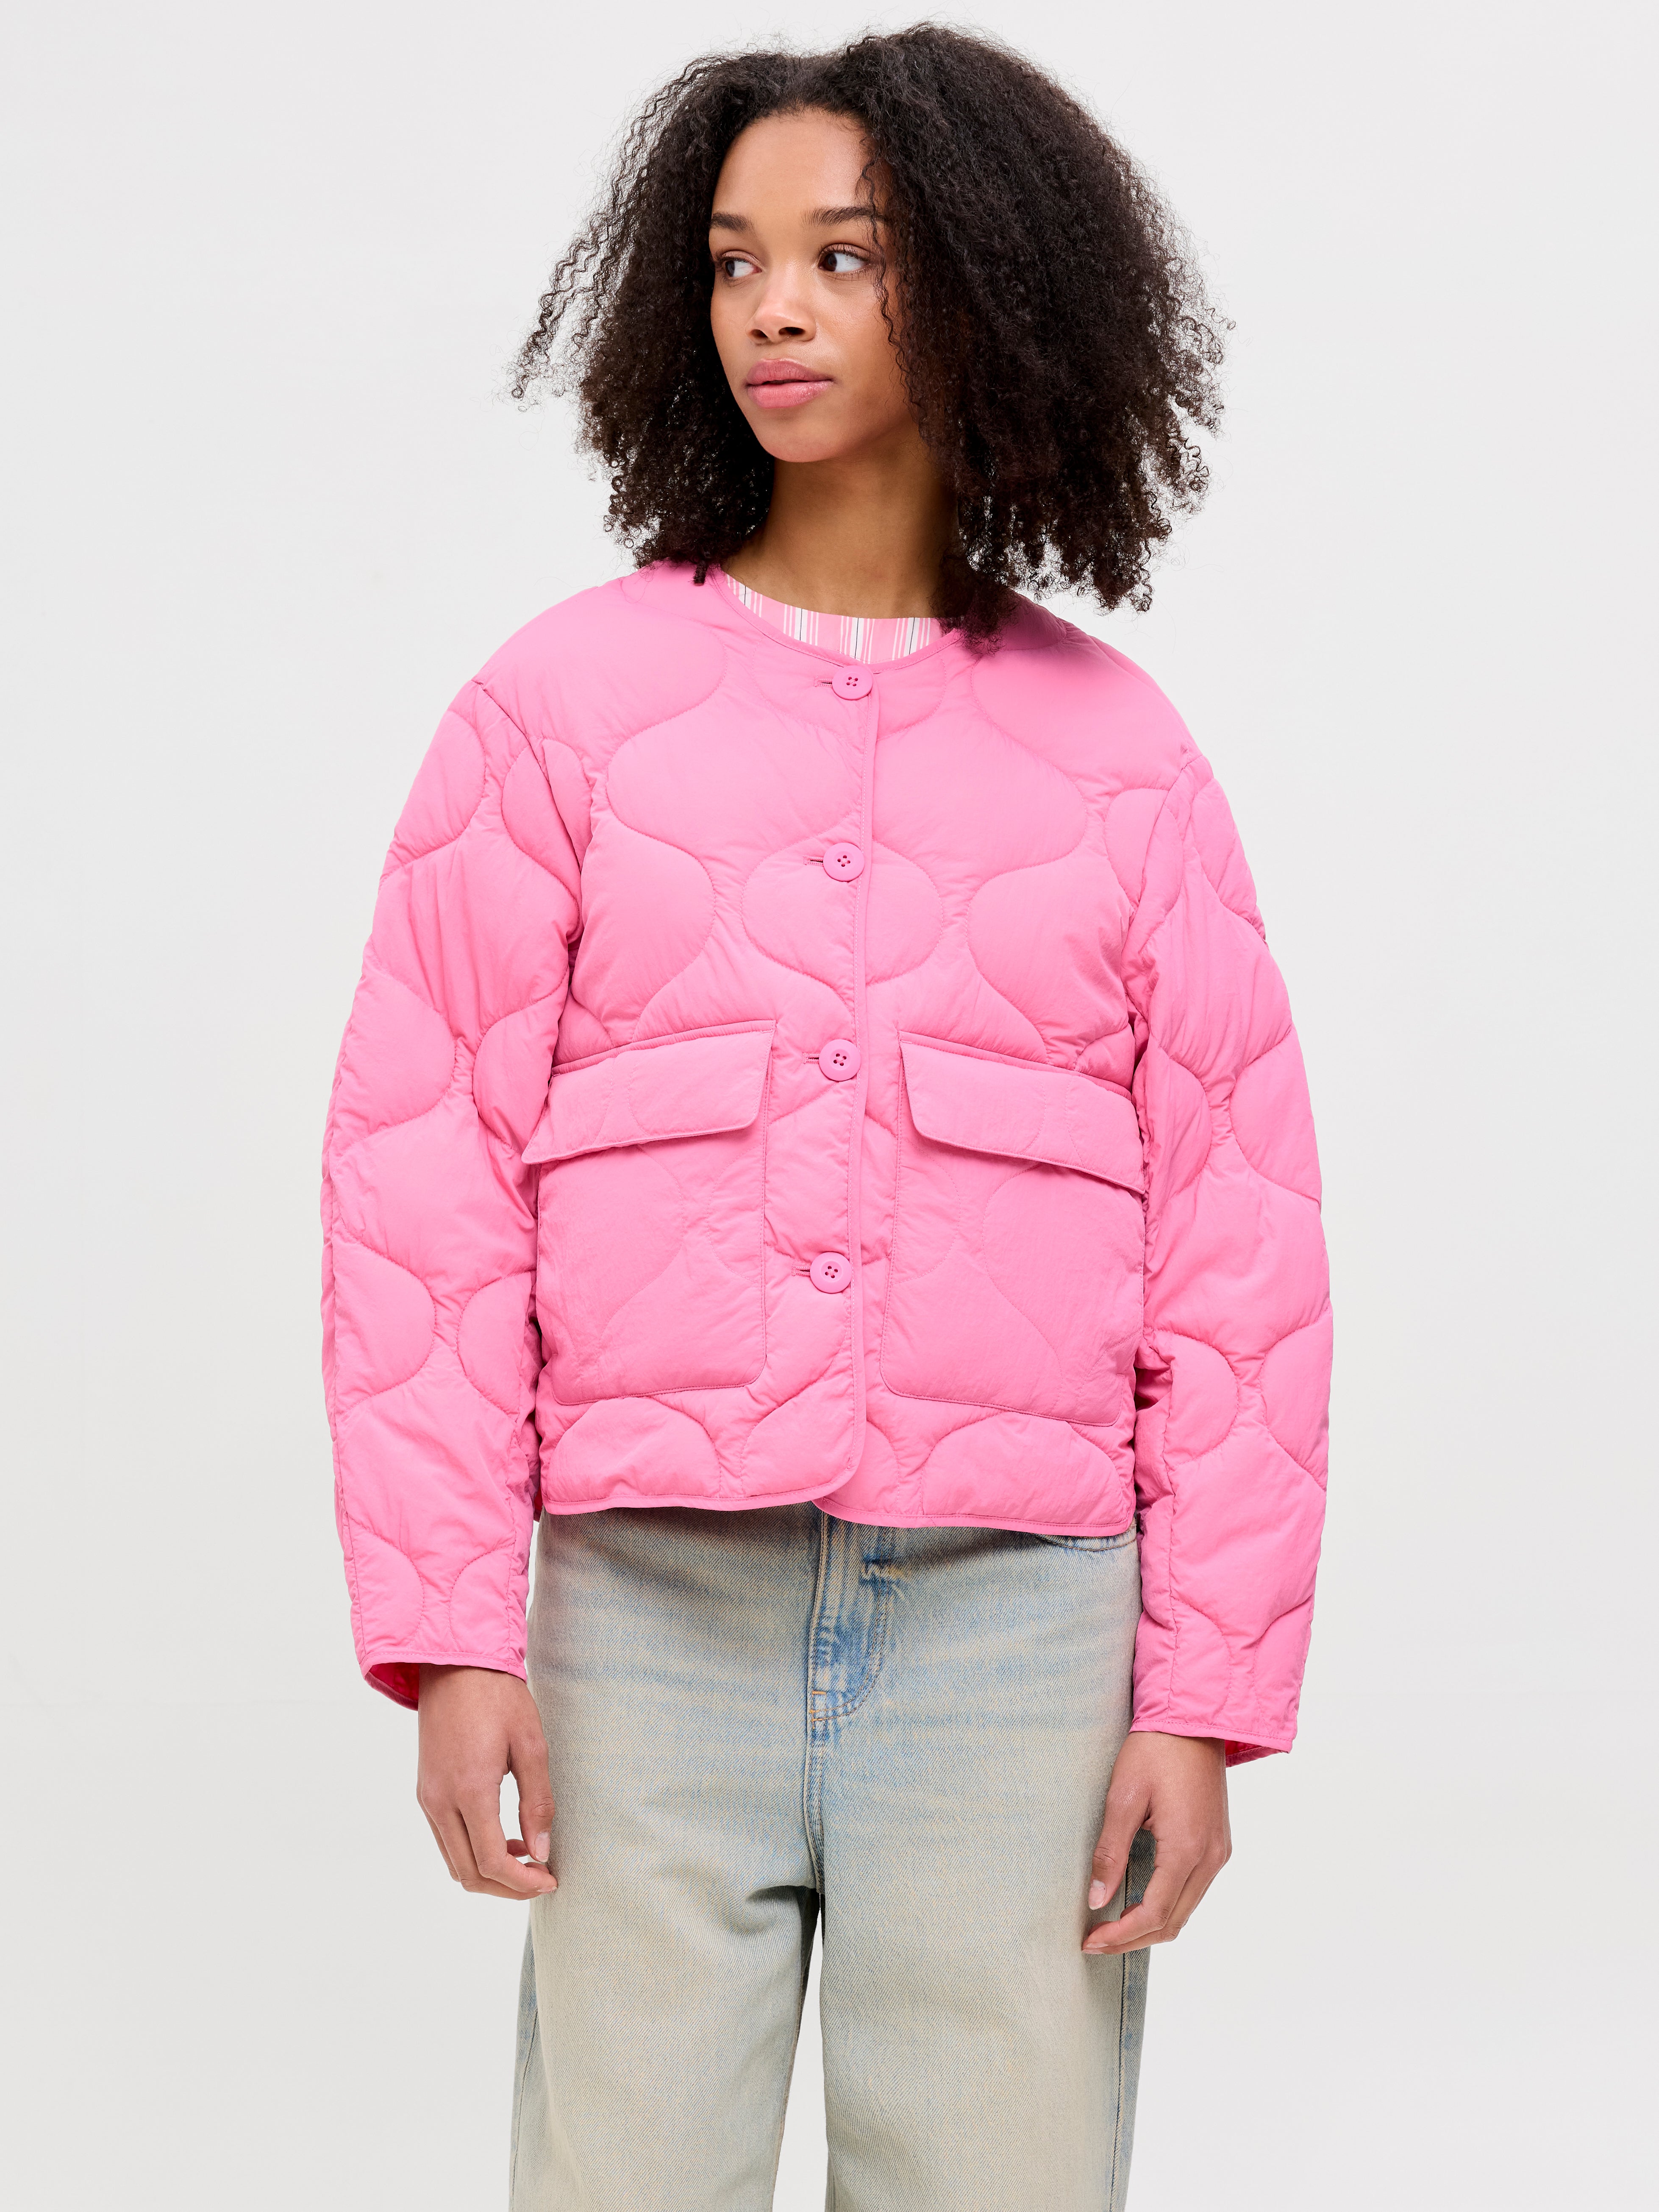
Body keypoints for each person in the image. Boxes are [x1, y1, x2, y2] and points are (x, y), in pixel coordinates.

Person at [320, 25, 1331, 2210]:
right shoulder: (558, 715)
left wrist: (1201, 1697)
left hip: (1023, 1632)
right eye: (734, 260)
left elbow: (1239, 1253)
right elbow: (425, 1193)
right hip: (643, 1615)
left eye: (846, 257)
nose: (774, 308)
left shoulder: (1125, 760)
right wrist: (454, 1634)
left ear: (989, 285)